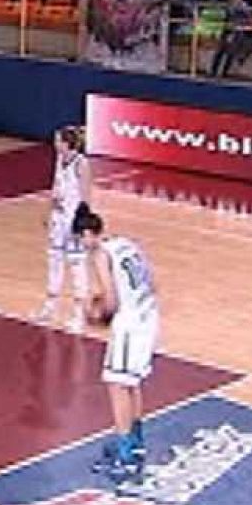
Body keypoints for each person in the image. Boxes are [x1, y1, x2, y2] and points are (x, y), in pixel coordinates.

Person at [77, 205, 160, 480]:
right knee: (131, 382)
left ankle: (125, 456)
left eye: (81, 238)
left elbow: (112, 299)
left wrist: (95, 317)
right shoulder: (127, 243)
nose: (81, 244)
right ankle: (134, 442)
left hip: (130, 323)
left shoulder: (100, 254)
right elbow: (152, 281)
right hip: (149, 315)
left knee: (116, 385)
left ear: (90, 233)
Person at [32, 127, 92, 332]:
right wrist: (48, 213)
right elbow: (56, 189)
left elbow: (85, 197)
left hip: (73, 221)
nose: (55, 144)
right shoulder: (59, 160)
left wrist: (82, 224)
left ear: (67, 143)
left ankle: (79, 314)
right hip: (58, 220)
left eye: (58, 141)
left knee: (76, 266)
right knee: (54, 261)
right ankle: (49, 307)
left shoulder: (81, 164)